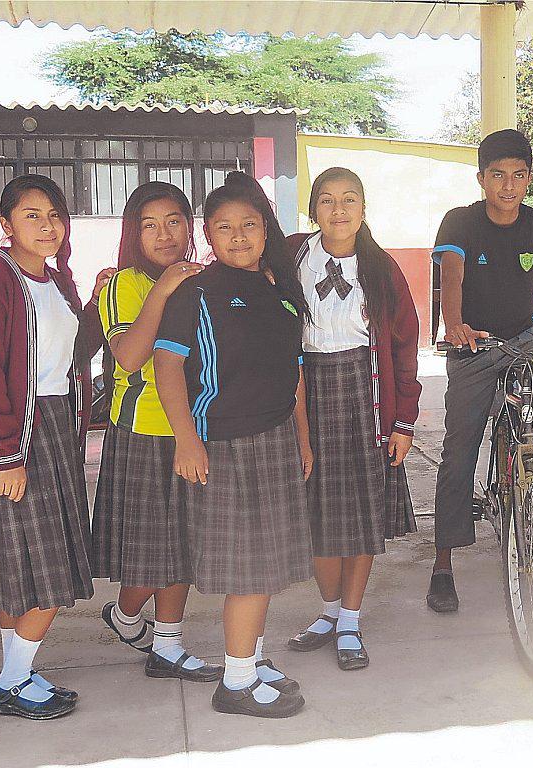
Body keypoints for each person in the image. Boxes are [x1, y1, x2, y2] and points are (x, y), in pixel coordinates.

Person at [153, 171, 312, 719]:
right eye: (225, 228)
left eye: (249, 225)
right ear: (209, 236)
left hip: (274, 441)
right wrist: (187, 441)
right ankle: (236, 683)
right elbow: (167, 365)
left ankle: (252, 658)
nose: (239, 236)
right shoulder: (198, 291)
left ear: (266, 230)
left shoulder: (279, 292)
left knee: (264, 564)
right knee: (245, 567)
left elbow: (293, 372)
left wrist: (302, 439)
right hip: (222, 446)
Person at [427, 129, 533, 613]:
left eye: (519, 175)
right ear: (482, 178)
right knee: (459, 447)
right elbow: (452, 274)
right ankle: (443, 562)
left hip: (526, 335)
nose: (509, 185)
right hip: (475, 343)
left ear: (529, 179)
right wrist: (456, 325)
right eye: (498, 175)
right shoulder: (460, 222)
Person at [0, 174, 99, 720]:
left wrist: (92, 301)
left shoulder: (56, 279)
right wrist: (6, 453)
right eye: (32, 215)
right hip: (20, 430)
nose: (47, 226)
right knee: (45, 563)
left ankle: (16, 675)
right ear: (6, 224)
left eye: (55, 216)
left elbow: (74, 350)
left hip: (59, 424)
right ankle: (13, 680)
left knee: (28, 563)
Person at [282, 167, 420, 671]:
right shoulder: (293, 255)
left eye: (348, 200)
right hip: (305, 394)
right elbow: (237, 262)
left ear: (363, 208)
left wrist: (404, 422)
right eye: (326, 201)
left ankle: (350, 621)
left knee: (360, 516)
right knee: (314, 513)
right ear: (313, 210)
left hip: (366, 396)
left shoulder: (382, 269)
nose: (337, 211)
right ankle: (327, 611)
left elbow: (405, 347)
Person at [91, 181, 222, 683]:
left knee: (184, 546)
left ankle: (167, 645)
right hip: (143, 433)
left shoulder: (203, 279)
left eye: (174, 221)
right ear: (133, 234)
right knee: (149, 550)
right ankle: (126, 615)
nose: (164, 233)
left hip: (194, 428)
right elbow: (127, 355)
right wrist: (165, 286)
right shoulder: (125, 284)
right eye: (150, 225)